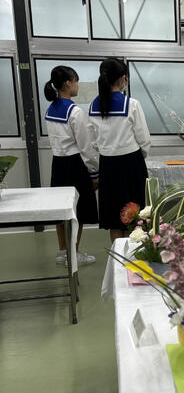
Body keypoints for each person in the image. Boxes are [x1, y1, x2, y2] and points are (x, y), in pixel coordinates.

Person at [88, 58, 151, 243]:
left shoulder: (93, 105)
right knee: (135, 216)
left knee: (114, 218)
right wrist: (139, 156)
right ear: (124, 78)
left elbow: (93, 142)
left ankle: (117, 257)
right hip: (131, 165)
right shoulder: (132, 104)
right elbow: (144, 139)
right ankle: (133, 256)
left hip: (107, 165)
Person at [44, 65, 99, 266]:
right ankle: (73, 255)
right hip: (75, 165)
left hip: (58, 164)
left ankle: (63, 252)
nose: (77, 85)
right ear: (68, 83)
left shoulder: (51, 109)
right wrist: (94, 173)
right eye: (76, 81)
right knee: (78, 211)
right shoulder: (75, 112)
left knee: (61, 209)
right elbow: (86, 147)